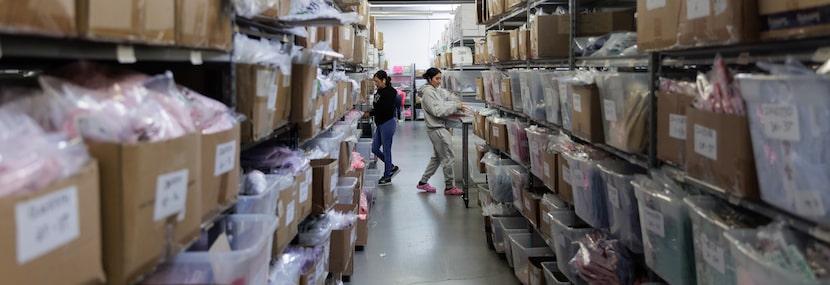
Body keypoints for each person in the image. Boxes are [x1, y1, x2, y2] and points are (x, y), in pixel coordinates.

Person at [416, 67, 467, 195]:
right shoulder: (429, 92)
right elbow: (438, 111)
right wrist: (456, 107)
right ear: (429, 79)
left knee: (437, 157)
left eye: (440, 78)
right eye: (437, 79)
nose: (439, 81)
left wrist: (455, 107)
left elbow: (441, 106)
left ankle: (423, 182)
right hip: (437, 129)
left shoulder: (432, 90)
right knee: (448, 157)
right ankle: (450, 187)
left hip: (437, 128)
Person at [371, 70, 400, 185]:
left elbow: (385, 109)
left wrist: (371, 113)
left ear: (384, 80)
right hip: (380, 123)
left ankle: (387, 176)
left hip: (387, 123)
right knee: (374, 148)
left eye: (377, 81)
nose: (376, 84)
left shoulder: (390, 92)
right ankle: (391, 166)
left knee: (387, 150)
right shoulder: (380, 90)